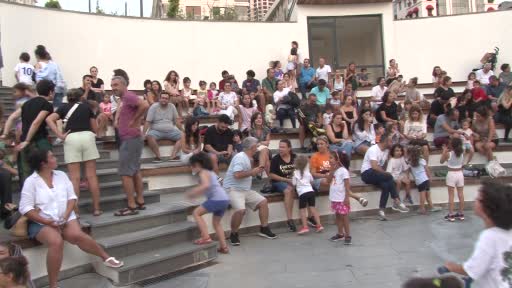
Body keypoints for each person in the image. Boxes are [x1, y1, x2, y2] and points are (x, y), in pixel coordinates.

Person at [444, 180, 512, 288]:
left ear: (488, 208)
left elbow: (472, 269)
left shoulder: (489, 237)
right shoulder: (508, 231)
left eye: (478, 199)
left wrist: (451, 267)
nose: (474, 200)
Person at [45, 89, 102, 217]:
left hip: (71, 138)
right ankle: (97, 208)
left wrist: (59, 134)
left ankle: (76, 211)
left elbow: (49, 119)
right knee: (92, 176)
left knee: (74, 178)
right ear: (80, 97)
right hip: (87, 137)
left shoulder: (63, 107)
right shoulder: (87, 108)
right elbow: (95, 129)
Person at [224, 137, 277, 245]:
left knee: (263, 202)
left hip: (245, 190)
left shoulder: (249, 157)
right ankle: (233, 234)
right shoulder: (240, 157)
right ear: (252, 147)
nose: (258, 148)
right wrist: (252, 172)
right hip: (232, 190)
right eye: (257, 146)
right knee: (240, 210)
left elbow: (263, 151)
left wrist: (257, 169)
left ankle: (264, 228)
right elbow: (237, 174)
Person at [1, 80, 54, 186]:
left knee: (26, 173)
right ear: (51, 92)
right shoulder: (47, 105)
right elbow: (36, 122)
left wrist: (5, 133)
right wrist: (27, 140)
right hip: (38, 141)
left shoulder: (26, 103)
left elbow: (12, 117)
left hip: (24, 143)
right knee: (44, 170)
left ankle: (28, 198)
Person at [112, 75, 149, 216]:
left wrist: (135, 119)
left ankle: (131, 205)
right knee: (135, 171)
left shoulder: (128, 96)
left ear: (123, 85)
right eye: (112, 85)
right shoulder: (125, 98)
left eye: (116, 85)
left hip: (130, 139)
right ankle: (140, 201)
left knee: (126, 173)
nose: (113, 88)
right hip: (133, 138)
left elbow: (145, 105)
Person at [187, 152, 230, 254]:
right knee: (216, 223)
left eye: (193, 166)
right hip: (224, 199)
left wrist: (192, 193)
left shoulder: (203, 173)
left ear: (199, 164)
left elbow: (205, 186)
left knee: (196, 213)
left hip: (217, 199)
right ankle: (224, 247)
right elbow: (209, 186)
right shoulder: (210, 173)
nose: (192, 168)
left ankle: (206, 237)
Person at [360, 133, 409, 220]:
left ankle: (381, 211)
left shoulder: (386, 151)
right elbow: (374, 166)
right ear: (386, 142)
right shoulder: (373, 149)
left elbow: (395, 156)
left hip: (378, 174)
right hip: (367, 173)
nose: (392, 143)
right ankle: (396, 200)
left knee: (386, 186)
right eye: (391, 141)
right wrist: (386, 174)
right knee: (389, 177)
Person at [143, 93, 182, 163]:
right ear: (159, 99)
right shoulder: (153, 107)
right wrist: (143, 134)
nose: (164, 100)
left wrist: (183, 131)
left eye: (166, 98)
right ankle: (158, 157)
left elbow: (176, 121)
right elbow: (148, 121)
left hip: (171, 130)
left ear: (169, 100)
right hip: (156, 131)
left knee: (184, 136)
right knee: (149, 136)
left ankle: (173, 156)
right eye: (163, 98)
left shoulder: (172, 106)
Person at [326, 150, 353, 244]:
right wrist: (331, 171)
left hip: (342, 198)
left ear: (338, 160)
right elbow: (328, 181)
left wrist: (347, 198)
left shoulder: (344, 171)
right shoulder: (333, 170)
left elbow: (347, 185)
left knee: (344, 216)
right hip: (334, 198)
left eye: (331, 158)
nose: (329, 160)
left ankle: (348, 235)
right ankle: (340, 233)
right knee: (337, 215)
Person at [269, 139, 297, 231]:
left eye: (283, 147)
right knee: (288, 190)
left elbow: (299, 169)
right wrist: (286, 180)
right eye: (279, 147)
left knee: (309, 189)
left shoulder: (294, 157)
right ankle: (289, 219)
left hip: (293, 180)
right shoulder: (275, 159)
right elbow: (271, 175)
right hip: (278, 182)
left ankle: (310, 217)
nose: (280, 149)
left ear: (289, 148)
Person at [293, 155, 324, 235]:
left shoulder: (295, 173)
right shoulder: (308, 173)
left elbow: (294, 183)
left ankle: (305, 227)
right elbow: (311, 182)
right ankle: (319, 225)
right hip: (311, 192)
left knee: (302, 210)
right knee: (313, 209)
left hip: (302, 194)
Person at [440, 138, 465, 222]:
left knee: (451, 195)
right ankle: (461, 213)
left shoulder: (448, 154)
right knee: (461, 194)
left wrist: (444, 151)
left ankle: (451, 215)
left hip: (451, 174)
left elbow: (441, 161)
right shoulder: (462, 153)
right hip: (460, 174)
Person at [407, 145, 438, 214]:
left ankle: (422, 208)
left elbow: (409, 172)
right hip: (425, 179)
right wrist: (430, 177)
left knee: (422, 195)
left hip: (419, 181)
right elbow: (427, 170)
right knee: (428, 195)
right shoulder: (422, 160)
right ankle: (432, 207)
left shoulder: (410, 162)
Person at [248, 112, 272, 180]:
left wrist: (259, 143)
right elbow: (250, 143)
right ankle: (270, 180)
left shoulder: (266, 129)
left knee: (264, 150)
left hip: (266, 149)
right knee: (266, 157)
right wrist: (260, 144)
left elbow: (267, 143)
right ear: (253, 120)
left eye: (260, 118)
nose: (259, 120)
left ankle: (260, 169)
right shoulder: (251, 130)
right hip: (255, 151)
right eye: (256, 118)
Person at [0, 149, 17, 219]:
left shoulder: (4, 162)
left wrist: (3, 165)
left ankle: (6, 209)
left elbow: (16, 172)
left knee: (5, 174)